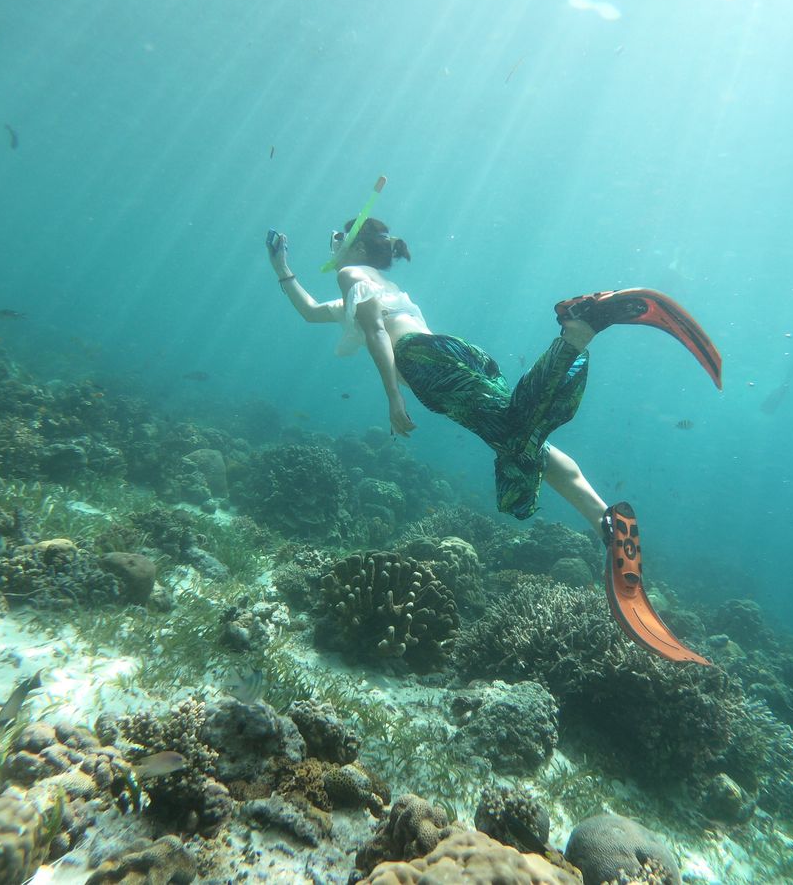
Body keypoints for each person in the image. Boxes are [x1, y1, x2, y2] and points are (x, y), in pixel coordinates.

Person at [267, 217, 721, 663]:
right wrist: (281, 265)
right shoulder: (371, 283)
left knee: (517, 430)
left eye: (338, 237)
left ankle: (578, 331)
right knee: (524, 442)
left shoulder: (351, 273)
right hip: (451, 354)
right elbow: (310, 311)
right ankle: (605, 522)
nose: (332, 245)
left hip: (423, 364)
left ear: (358, 247)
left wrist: (393, 396)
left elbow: (376, 331)